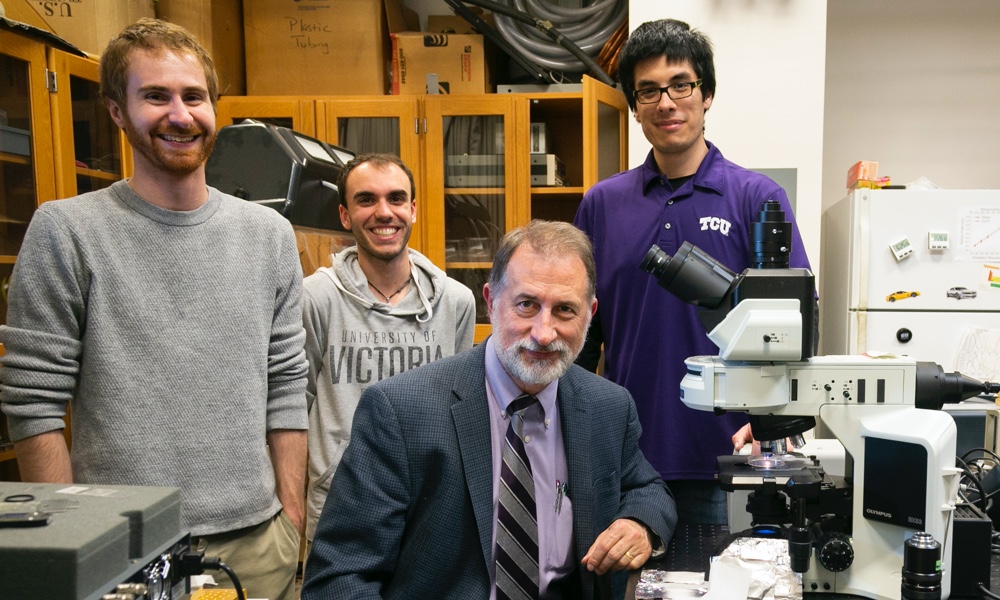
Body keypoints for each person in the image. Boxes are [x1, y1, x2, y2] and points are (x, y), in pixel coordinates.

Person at [0, 18, 307, 600]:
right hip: (124, 551)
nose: (180, 114)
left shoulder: (267, 234)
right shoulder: (68, 231)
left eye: (194, 96)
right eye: (155, 96)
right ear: (117, 111)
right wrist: (67, 546)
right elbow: (33, 401)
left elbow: (287, 383)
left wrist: (290, 522)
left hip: (258, 545)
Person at [302, 219, 676, 600]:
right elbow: (338, 578)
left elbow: (648, 488)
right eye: (527, 305)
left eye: (565, 310)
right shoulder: (400, 412)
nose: (544, 333)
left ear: (590, 313)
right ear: (491, 301)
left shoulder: (607, 406)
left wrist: (639, 524)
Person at [574, 18, 814, 525]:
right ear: (634, 105)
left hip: (723, 456)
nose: (666, 102)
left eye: (681, 85)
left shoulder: (756, 198)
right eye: (648, 91)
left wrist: (776, 421)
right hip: (623, 457)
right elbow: (582, 331)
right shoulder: (602, 204)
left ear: (706, 94)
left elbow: (797, 325)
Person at [303, 152, 476, 544]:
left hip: (430, 504)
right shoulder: (315, 298)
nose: (384, 212)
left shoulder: (455, 302)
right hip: (340, 501)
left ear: (413, 210)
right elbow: (293, 404)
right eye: (366, 200)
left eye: (396, 199)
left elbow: (461, 406)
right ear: (345, 215)